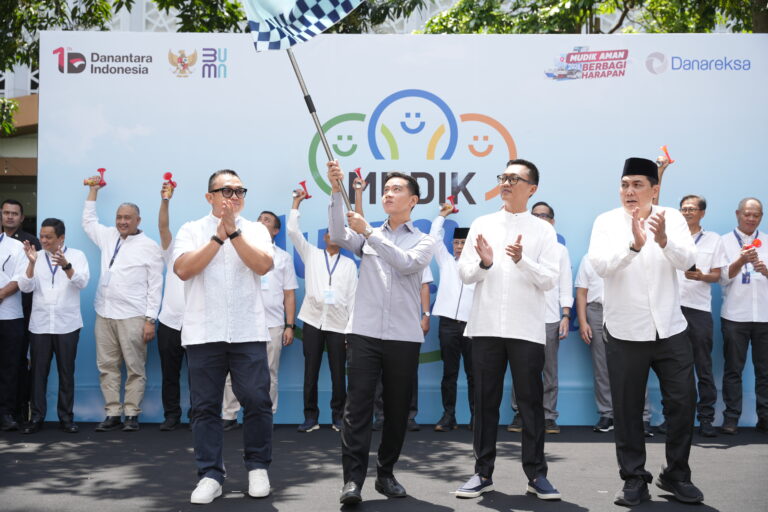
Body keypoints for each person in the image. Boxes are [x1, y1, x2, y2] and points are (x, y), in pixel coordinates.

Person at [588, 157, 702, 506]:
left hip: (670, 328)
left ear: (655, 189)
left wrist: (664, 240)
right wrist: (633, 247)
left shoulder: (672, 218)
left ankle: (676, 475)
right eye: (625, 184)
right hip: (625, 331)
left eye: (637, 184)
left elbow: (688, 261)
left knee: (683, 402)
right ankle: (634, 478)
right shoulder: (606, 221)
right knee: (627, 410)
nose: (629, 191)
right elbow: (600, 266)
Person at [327, 161, 435, 505]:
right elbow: (339, 234)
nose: (388, 194)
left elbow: (406, 263)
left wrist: (371, 234)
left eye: (397, 190)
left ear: (413, 200)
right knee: (357, 409)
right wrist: (336, 191)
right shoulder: (366, 233)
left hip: (403, 336)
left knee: (397, 410)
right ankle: (352, 481)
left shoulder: (424, 240)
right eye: (386, 190)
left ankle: (385, 474)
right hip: (364, 332)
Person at [455, 159, 561, 501]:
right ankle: (482, 473)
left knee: (531, 404)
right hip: (486, 326)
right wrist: (485, 262)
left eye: (514, 179)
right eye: (503, 177)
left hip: (526, 328)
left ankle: (537, 475)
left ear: (532, 188)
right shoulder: (482, 223)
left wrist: (521, 260)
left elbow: (549, 280)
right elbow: (465, 273)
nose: (506, 183)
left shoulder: (543, 231)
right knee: (484, 402)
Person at [173, 169, 274, 504]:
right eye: (226, 191)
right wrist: (217, 238)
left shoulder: (256, 229)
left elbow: (262, 266)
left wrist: (234, 234)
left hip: (247, 331)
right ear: (210, 197)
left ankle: (257, 467)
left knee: (257, 400)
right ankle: (210, 475)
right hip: (204, 332)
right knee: (205, 407)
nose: (234, 197)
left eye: (239, 191)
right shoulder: (191, 229)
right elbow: (183, 269)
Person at [82, 180, 163, 432]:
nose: (122, 222)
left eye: (128, 218)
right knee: (107, 366)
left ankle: (131, 414)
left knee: (135, 368)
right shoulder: (109, 236)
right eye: (119, 217)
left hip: (133, 316)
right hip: (104, 313)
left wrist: (150, 320)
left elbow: (155, 286)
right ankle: (112, 413)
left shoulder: (150, 247)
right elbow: (88, 222)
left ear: (138, 220)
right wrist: (93, 191)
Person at [288, 188, 357, 432]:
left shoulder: (349, 265)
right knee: (311, 371)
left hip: (338, 324)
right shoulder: (312, 254)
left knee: (339, 373)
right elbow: (293, 232)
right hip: (313, 320)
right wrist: (296, 203)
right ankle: (310, 417)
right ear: (325, 237)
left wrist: (350, 331)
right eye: (330, 232)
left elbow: (353, 299)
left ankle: (339, 417)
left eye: (339, 233)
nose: (334, 236)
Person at [221, 210, 297, 430]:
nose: (261, 222)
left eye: (267, 220)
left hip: (273, 324)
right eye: (259, 218)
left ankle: (267, 415)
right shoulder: (239, 250)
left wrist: (289, 325)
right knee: (233, 372)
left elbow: (289, 294)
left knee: (269, 373)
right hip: (242, 322)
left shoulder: (283, 258)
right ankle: (229, 414)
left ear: (276, 230)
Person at [18, 218, 89, 434]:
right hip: (40, 325)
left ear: (61, 238)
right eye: (41, 236)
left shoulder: (77, 255)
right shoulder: (36, 256)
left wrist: (66, 266)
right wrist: (31, 264)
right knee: (38, 374)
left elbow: (82, 282)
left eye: (48, 237)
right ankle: (36, 418)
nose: (43, 240)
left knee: (66, 373)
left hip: (67, 324)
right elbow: (25, 287)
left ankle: (66, 418)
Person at [574, 255, 655, 435]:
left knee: (635, 366)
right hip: (597, 311)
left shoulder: (632, 256)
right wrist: (583, 322)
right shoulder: (589, 259)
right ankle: (607, 414)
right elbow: (581, 292)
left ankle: (642, 416)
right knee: (601, 366)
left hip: (627, 310)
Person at [517, 201, 572, 435]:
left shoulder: (560, 250)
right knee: (522, 369)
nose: (540, 219)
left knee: (549, 370)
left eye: (544, 216)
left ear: (552, 221)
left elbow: (565, 284)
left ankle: (549, 415)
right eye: (535, 215)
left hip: (550, 318)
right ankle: (520, 414)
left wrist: (566, 314)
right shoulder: (520, 247)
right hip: (523, 316)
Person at [675, 195, 727, 437]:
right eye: (683, 209)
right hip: (672, 309)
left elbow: (717, 275)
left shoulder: (714, 240)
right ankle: (674, 420)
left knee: (703, 367)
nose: (687, 212)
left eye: (692, 209)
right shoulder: (672, 237)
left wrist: (701, 276)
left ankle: (706, 418)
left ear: (702, 213)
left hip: (698, 311)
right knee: (673, 369)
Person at [719, 197, 767, 435]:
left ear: (761, 217)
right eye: (747, 214)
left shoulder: (767, 241)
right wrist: (741, 260)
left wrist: (765, 270)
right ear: (738, 214)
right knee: (733, 370)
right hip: (735, 315)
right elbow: (722, 278)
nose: (751, 218)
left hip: (765, 316)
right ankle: (731, 418)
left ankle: (765, 417)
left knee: (765, 371)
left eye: (756, 215)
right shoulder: (724, 242)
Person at [429, 203, 475, 432]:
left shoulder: (480, 268)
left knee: (474, 374)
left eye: (463, 243)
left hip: (472, 326)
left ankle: (477, 417)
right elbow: (434, 239)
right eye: (456, 243)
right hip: (447, 324)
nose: (458, 247)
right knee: (449, 373)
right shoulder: (446, 262)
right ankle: (449, 416)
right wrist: (441, 216)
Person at [372, 269, 432, 432]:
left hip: (408, 322)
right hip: (381, 322)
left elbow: (424, 286)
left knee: (409, 372)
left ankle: (409, 416)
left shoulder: (418, 257)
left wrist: (426, 315)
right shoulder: (378, 256)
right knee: (379, 372)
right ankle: (381, 416)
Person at [2, 199, 41, 425]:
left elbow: (25, 278)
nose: (10, 217)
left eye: (14, 213)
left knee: (15, 363)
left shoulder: (28, 242)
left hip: (20, 312)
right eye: (6, 212)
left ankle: (14, 411)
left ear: (22, 217)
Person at [157, 182, 187, 431]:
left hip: (197, 323)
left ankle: (199, 415)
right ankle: (171, 415)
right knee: (169, 373)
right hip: (169, 322)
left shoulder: (205, 254)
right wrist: (165, 200)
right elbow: (163, 227)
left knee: (200, 375)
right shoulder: (172, 252)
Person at [0, 229, 26, 431]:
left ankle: (6, 413)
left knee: (9, 368)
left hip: (10, 316)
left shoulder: (16, 246)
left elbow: (19, 279)